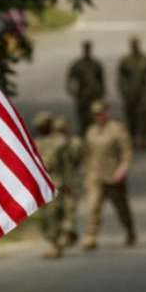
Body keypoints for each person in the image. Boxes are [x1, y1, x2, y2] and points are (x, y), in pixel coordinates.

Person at [81, 100, 136, 250]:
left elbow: (127, 151)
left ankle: (129, 230)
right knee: (93, 206)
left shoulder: (116, 129)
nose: (98, 116)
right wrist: (85, 172)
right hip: (95, 175)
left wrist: (122, 169)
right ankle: (90, 237)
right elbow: (87, 153)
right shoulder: (91, 131)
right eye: (95, 114)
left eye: (100, 113)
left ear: (106, 113)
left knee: (121, 207)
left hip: (113, 175)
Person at [32, 111, 67, 258]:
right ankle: (53, 240)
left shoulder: (60, 142)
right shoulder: (36, 143)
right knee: (43, 218)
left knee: (53, 214)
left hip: (55, 182)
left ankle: (55, 244)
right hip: (41, 184)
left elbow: (66, 165)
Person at [118, 36, 146, 149]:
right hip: (130, 93)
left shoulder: (145, 60)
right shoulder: (125, 61)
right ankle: (132, 139)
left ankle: (144, 139)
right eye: (133, 44)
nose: (134, 46)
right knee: (130, 116)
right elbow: (121, 77)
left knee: (144, 116)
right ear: (131, 46)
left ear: (139, 45)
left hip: (142, 93)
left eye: (136, 44)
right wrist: (123, 90)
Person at [51, 116, 83, 248]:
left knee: (70, 209)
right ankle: (64, 236)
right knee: (57, 211)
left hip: (72, 182)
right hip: (58, 182)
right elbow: (50, 162)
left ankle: (67, 235)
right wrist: (57, 148)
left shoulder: (75, 143)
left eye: (62, 131)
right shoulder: (52, 144)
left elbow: (78, 158)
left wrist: (68, 146)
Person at [67, 40, 106, 135]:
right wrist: (73, 92)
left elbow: (101, 80)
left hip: (94, 96)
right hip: (82, 96)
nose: (87, 50)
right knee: (82, 119)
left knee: (95, 117)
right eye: (86, 48)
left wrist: (101, 93)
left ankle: (94, 137)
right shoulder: (78, 64)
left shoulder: (96, 64)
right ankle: (83, 135)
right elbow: (70, 79)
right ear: (83, 49)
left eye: (89, 48)